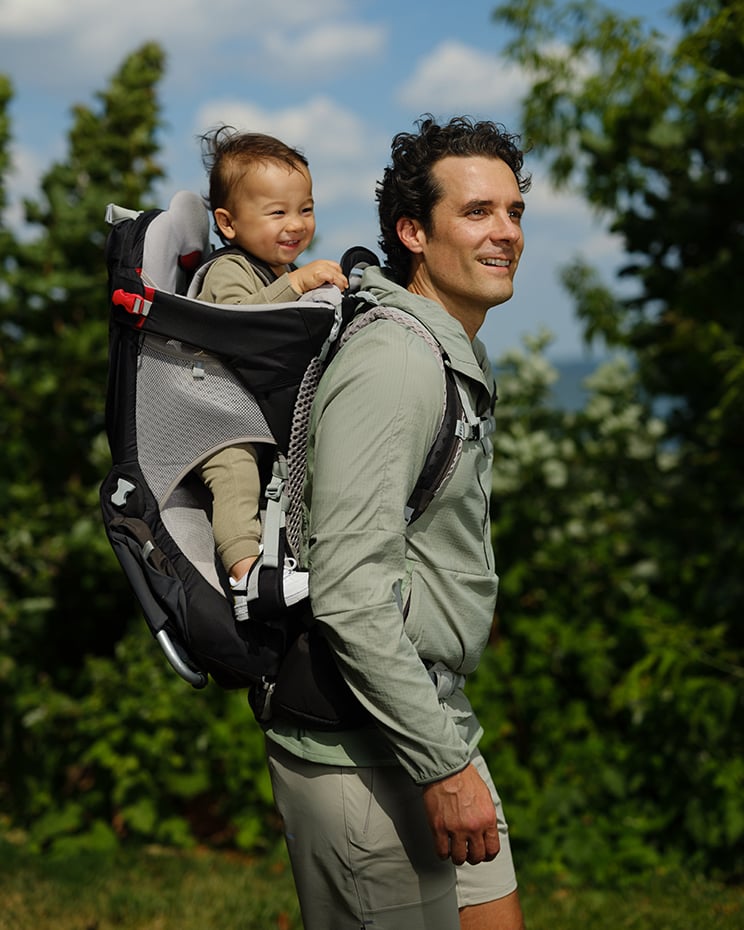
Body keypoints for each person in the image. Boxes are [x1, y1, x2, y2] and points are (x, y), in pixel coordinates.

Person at [264, 115, 530, 930]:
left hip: (428, 724)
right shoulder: (396, 363)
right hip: (366, 750)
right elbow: (348, 591)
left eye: (515, 211)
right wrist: (443, 767)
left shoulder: (446, 347)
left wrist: (448, 753)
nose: (507, 233)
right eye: (478, 212)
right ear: (413, 232)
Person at [193, 126, 348, 616]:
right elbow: (242, 326)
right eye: (277, 212)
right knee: (236, 473)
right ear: (229, 222)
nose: (296, 224)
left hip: (254, 407)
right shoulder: (229, 271)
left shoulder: (278, 272)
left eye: (305, 209)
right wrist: (300, 284)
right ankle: (247, 577)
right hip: (211, 414)